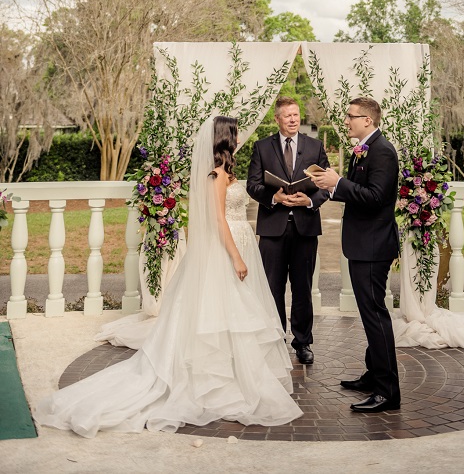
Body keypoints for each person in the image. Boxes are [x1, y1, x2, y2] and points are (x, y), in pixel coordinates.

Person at [34, 116, 302, 437]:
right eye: (236, 132)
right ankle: (216, 378)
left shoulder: (228, 173)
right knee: (221, 309)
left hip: (240, 239)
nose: (240, 136)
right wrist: (235, 257)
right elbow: (218, 220)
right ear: (225, 138)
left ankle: (236, 372)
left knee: (235, 313)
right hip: (225, 247)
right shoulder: (216, 175)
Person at [309, 97, 401, 413]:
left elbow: (376, 197)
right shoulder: (364, 148)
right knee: (369, 314)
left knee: (375, 316)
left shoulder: (383, 152)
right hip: (364, 243)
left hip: (374, 246)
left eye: (351, 116)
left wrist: (339, 183)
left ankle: (388, 392)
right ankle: (374, 374)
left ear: (368, 120)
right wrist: (333, 186)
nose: (346, 121)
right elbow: (359, 192)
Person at [246, 96, 329, 365]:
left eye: (296, 115)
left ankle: (302, 342)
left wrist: (310, 201)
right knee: (272, 287)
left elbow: (326, 185)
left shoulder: (315, 147)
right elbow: (253, 185)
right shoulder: (261, 147)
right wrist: (274, 198)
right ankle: (276, 339)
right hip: (273, 228)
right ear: (277, 119)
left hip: (305, 227)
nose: (293, 119)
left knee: (303, 288)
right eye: (288, 116)